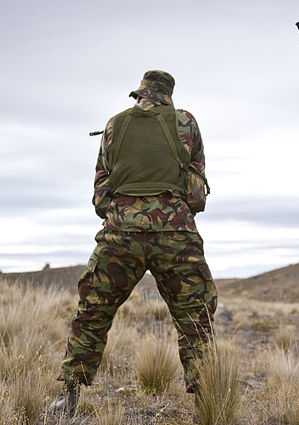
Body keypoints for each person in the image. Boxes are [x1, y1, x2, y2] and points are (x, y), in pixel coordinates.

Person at [51, 70, 217, 415]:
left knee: (93, 311)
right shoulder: (186, 122)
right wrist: (173, 210)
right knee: (195, 318)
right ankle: (208, 403)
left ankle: (68, 396)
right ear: (168, 97)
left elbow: (100, 195)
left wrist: (123, 211)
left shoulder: (114, 125)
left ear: (139, 95)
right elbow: (197, 194)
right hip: (177, 234)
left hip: (120, 231)